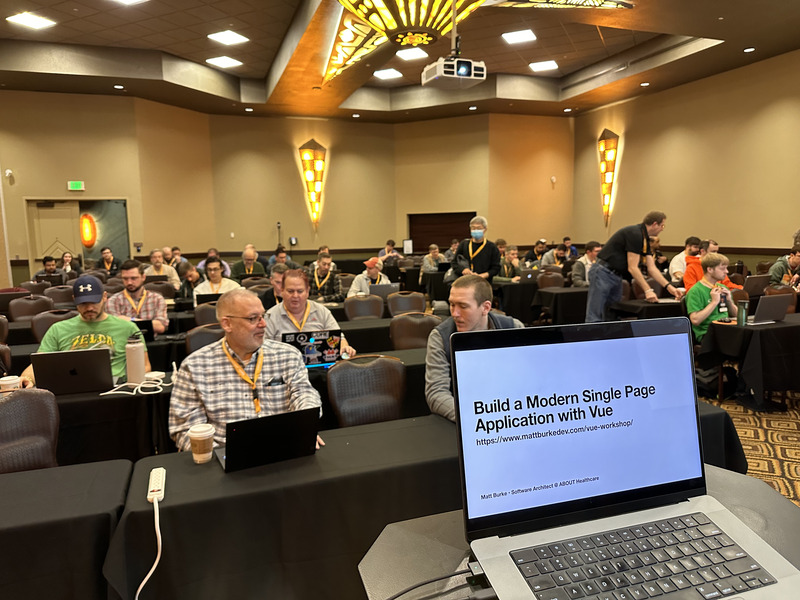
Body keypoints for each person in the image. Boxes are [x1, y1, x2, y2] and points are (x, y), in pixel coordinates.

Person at [168, 288, 322, 451]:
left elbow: (304, 392)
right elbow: (185, 430)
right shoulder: (195, 366)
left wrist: (304, 423)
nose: (263, 324)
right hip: (224, 454)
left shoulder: (287, 354)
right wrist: (217, 457)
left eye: (263, 316)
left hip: (282, 447)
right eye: (253, 319)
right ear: (227, 324)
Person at [20, 274, 151, 386]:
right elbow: (39, 364)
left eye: (94, 302)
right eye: (83, 303)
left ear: (104, 297)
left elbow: (145, 366)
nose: (89, 308)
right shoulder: (58, 329)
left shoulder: (127, 328)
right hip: (70, 386)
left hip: (116, 387)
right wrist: (27, 379)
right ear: (74, 300)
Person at [425, 275, 523, 421]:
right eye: (452, 304)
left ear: (486, 307)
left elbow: (526, 380)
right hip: (469, 419)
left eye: (463, 306)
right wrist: (474, 418)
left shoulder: (513, 328)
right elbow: (436, 393)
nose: (455, 314)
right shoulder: (440, 337)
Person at [586, 211, 683, 322]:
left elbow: (652, 268)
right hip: (603, 272)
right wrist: (648, 290)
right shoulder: (635, 234)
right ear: (655, 224)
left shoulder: (644, 239)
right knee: (595, 315)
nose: (662, 229)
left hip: (616, 275)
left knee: (613, 314)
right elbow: (632, 268)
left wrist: (670, 288)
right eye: (662, 225)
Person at [265, 269, 356, 357]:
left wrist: (344, 347)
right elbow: (263, 350)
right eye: (290, 291)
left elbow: (340, 338)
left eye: (300, 291)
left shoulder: (322, 311)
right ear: (282, 291)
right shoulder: (270, 316)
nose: (295, 296)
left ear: (307, 291)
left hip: (320, 368)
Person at [685, 253, 739, 342]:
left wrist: (729, 301)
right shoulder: (695, 291)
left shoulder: (723, 288)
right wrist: (714, 302)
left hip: (726, 329)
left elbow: (736, 315)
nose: (727, 272)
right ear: (710, 269)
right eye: (722, 268)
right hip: (708, 334)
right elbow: (695, 320)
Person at [107, 260, 169, 334]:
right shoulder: (113, 301)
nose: (129, 282)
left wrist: (129, 320)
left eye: (133, 278)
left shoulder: (157, 299)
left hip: (150, 343)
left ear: (143, 277)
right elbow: (113, 327)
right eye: (125, 279)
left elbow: (160, 327)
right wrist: (149, 324)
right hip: (124, 342)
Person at [453, 216, 501, 282]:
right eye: (473, 228)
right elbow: (454, 262)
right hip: (465, 281)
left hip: (484, 282)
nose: (475, 230)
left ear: (485, 229)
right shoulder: (464, 244)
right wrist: (463, 270)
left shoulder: (492, 247)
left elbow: (496, 268)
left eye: (479, 228)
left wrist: (483, 275)